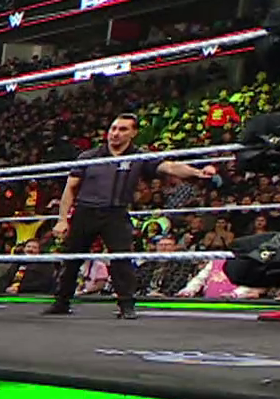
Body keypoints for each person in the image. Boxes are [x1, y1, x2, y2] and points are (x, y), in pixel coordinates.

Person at [46, 114, 220, 320]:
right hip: (86, 211)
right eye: (113, 128)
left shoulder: (138, 156)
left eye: (123, 129)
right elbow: (70, 188)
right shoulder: (89, 156)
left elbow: (170, 167)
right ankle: (61, 302)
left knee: (122, 259)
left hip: (116, 212)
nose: (115, 133)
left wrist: (197, 172)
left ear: (133, 133)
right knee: (72, 258)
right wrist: (62, 219)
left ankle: (126, 305)